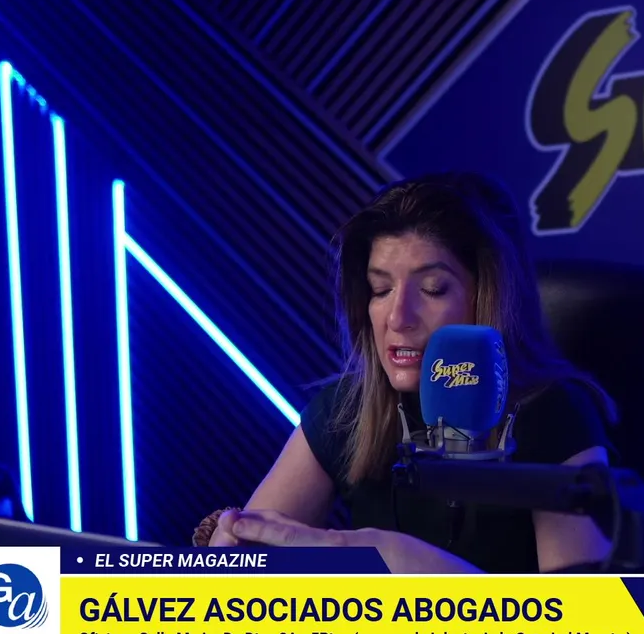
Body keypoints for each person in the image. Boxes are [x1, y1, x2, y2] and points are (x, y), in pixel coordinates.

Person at [207, 172, 619, 574]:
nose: (398, 317)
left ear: (488, 298)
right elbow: (236, 577)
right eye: (381, 290)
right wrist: (228, 559)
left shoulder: (554, 412)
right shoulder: (344, 411)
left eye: (433, 289)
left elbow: (588, 617)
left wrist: (411, 565)